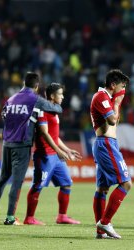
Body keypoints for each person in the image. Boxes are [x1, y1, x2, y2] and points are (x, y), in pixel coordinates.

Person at [0, 72, 62, 225]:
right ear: (36, 86)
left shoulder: (11, 99)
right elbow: (56, 109)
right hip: (21, 145)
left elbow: (4, 116)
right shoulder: (34, 99)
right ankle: (10, 217)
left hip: (7, 143)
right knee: (17, 182)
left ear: (23, 83)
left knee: (2, 179)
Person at [24, 83, 81, 225]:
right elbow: (44, 133)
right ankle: (29, 218)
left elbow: (54, 136)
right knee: (38, 186)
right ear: (51, 96)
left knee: (66, 183)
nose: (62, 97)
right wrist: (59, 151)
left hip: (55, 156)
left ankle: (62, 216)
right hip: (45, 156)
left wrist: (66, 149)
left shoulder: (54, 112)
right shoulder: (42, 110)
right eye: (60, 94)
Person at [91, 69, 131, 239]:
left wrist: (117, 102)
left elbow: (114, 121)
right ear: (113, 85)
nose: (123, 91)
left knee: (102, 188)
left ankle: (100, 231)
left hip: (105, 143)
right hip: (106, 144)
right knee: (126, 184)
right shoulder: (101, 97)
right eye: (122, 87)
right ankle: (105, 222)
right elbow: (112, 120)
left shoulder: (106, 98)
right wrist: (117, 102)